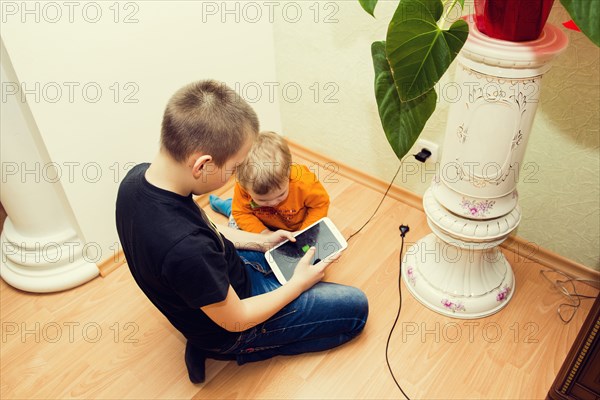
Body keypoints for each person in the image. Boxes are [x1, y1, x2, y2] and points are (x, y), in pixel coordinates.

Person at [115, 80, 368, 384]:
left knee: (288, 260)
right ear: (203, 165)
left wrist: (261, 241)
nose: (237, 176)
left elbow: (208, 229)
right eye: (235, 168)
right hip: (232, 323)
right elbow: (237, 319)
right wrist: (297, 286)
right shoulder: (186, 249)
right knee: (355, 312)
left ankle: (206, 335)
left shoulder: (137, 179)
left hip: (224, 282)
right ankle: (232, 350)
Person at [209, 130, 330, 233]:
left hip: (294, 227)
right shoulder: (244, 186)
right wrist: (264, 233)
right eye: (262, 200)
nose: (273, 203)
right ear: (245, 188)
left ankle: (231, 205)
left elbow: (320, 205)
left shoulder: (304, 183)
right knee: (235, 224)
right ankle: (229, 207)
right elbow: (241, 213)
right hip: (262, 224)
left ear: (288, 175)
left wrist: (305, 230)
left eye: (281, 194)